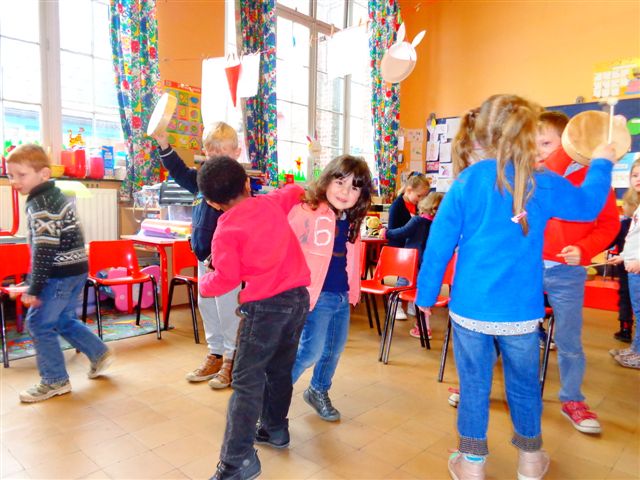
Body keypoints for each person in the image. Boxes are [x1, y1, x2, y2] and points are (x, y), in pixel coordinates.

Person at [415, 94, 617, 480]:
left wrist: (425, 296)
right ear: (527, 135)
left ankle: (471, 463)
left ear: (483, 133)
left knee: (474, 386)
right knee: (524, 386)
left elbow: (439, 244)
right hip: (520, 312)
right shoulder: (542, 182)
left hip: (470, 309)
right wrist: (603, 161)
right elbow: (590, 205)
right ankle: (529, 459)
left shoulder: (467, 181)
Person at [197, 157, 311, 480]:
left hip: (265, 308)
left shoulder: (225, 229)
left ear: (212, 202)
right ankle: (275, 428)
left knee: (246, 382)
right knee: (279, 370)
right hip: (298, 300)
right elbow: (295, 190)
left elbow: (226, 279)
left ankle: (237, 462)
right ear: (247, 183)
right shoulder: (271, 202)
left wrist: (203, 283)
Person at [6, 144, 113, 403]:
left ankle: (54, 380)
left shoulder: (41, 203)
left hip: (59, 275)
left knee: (38, 324)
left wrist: (34, 287)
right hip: (75, 270)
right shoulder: (53, 195)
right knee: (63, 319)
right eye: (10, 175)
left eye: (21, 175)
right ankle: (98, 353)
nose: (14, 181)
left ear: (43, 174)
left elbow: (45, 250)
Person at [537, 112, 620, 435]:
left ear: (569, 142)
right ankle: (479, 388)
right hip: (528, 267)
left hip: (567, 273)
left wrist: (584, 249)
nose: (539, 150)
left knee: (569, 340)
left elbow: (608, 225)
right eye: (533, 143)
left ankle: (572, 399)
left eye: (546, 143)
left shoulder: (595, 178)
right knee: (507, 328)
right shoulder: (536, 173)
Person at [153, 122, 241, 389]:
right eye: (213, 154)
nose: (217, 159)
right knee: (208, 306)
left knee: (228, 311)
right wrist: (164, 144)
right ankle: (216, 353)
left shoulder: (237, 185)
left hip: (225, 262)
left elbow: (245, 218)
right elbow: (179, 171)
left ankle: (232, 359)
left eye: (223, 153)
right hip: (204, 259)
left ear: (236, 153)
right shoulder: (202, 180)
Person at [287, 155, 372, 423]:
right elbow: (284, 246)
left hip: (340, 295)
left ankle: (318, 390)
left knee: (333, 350)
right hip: (316, 294)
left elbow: (351, 259)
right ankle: (272, 396)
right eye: (340, 182)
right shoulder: (306, 211)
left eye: (354, 187)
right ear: (326, 181)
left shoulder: (351, 219)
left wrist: (352, 291)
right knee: (309, 352)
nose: (346, 192)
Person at [383, 191, 444, 339]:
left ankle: (396, 306)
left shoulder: (417, 221)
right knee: (421, 290)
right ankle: (422, 324)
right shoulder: (440, 225)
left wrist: (386, 233)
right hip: (427, 264)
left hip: (411, 262)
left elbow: (402, 232)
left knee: (401, 285)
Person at [608, 159, 640, 369]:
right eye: (635, 175)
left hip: (637, 267)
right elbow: (635, 239)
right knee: (638, 312)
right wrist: (623, 256)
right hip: (632, 266)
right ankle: (636, 349)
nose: (638, 179)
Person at [387, 171, 431, 319]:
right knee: (404, 279)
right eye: (419, 196)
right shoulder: (397, 206)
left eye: (424, 196)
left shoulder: (418, 207)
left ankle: (413, 302)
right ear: (409, 190)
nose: (421, 199)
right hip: (401, 250)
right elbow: (394, 231)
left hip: (415, 250)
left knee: (416, 278)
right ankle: (396, 305)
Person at [609, 199, 633, 342]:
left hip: (626, 266)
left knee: (625, 297)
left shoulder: (623, 225)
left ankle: (625, 329)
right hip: (628, 264)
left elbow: (609, 241)